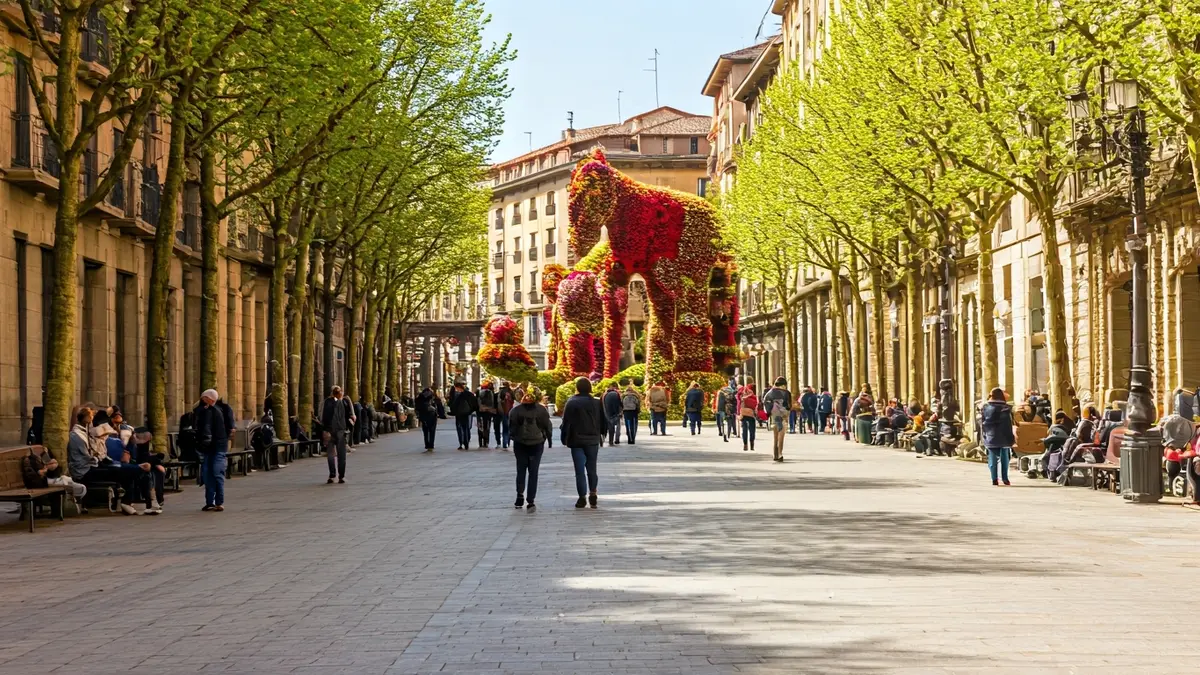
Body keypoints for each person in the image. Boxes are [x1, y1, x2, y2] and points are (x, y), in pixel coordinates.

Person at [68, 407, 149, 515]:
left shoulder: (86, 432)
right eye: (90, 417)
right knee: (125, 471)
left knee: (127, 471)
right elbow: (87, 455)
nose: (91, 421)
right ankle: (131, 495)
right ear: (85, 418)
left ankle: (128, 500)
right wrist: (98, 457)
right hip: (85, 470)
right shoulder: (77, 435)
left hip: (94, 465)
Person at [561, 377, 608, 508]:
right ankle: (593, 492)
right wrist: (602, 433)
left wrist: (564, 437)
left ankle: (582, 497)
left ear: (577, 387)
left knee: (579, 470)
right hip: (592, 439)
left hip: (576, 440)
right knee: (592, 468)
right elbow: (603, 420)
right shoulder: (597, 402)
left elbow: (566, 422)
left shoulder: (571, 402)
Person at [509, 389, 553, 512]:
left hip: (520, 444)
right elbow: (547, 426)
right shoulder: (541, 410)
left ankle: (519, 496)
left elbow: (511, 428)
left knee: (521, 470)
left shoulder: (515, 411)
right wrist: (548, 439)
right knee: (533, 472)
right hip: (537, 444)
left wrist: (513, 438)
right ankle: (531, 500)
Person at [194, 389, 236, 510]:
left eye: (204, 397)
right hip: (215, 447)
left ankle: (216, 501)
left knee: (214, 473)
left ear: (209, 398)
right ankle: (213, 501)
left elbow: (206, 428)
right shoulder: (210, 410)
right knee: (212, 474)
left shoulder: (214, 411)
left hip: (215, 447)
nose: (202, 400)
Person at [22, 444, 87, 514]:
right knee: (78, 487)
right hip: (43, 482)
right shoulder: (30, 460)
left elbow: (53, 472)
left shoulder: (43, 455)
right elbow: (33, 476)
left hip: (48, 480)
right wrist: (42, 471)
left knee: (80, 487)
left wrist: (53, 468)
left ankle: (69, 507)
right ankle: (66, 508)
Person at [979, 387, 1017, 486]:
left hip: (991, 436)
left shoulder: (985, 408)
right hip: (1004, 436)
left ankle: (994, 479)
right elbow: (1009, 424)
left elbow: (982, 424)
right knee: (1005, 458)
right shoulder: (1007, 408)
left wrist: (984, 435)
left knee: (992, 458)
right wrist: (1011, 437)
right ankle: (1005, 478)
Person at [320, 385, 355, 482]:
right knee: (341, 455)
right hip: (340, 431)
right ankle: (341, 476)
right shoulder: (343, 402)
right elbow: (348, 416)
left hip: (329, 430)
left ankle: (332, 475)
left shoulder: (326, 402)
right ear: (341, 393)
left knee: (331, 454)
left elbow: (322, 416)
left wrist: (325, 429)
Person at [762, 378, 793, 462]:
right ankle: (780, 454)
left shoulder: (768, 393)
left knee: (775, 436)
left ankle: (775, 454)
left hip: (773, 416)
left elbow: (765, 404)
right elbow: (789, 406)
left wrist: (769, 414)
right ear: (783, 385)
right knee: (781, 435)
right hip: (782, 416)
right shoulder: (786, 393)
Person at [448, 381, 478, 450]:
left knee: (460, 428)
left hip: (459, 413)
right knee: (466, 427)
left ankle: (461, 443)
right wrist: (471, 410)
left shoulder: (456, 394)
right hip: (467, 413)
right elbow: (474, 402)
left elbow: (452, 404)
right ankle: (466, 442)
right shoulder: (468, 394)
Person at [414, 386, 444, 451]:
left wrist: (419, 415)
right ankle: (431, 444)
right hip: (432, 415)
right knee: (432, 430)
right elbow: (439, 406)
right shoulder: (434, 397)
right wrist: (442, 415)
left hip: (423, 416)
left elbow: (416, 408)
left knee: (425, 431)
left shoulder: (419, 398)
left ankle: (426, 444)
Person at [477, 381, 499, 449]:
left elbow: (477, 402)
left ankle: (480, 442)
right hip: (489, 412)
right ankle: (486, 442)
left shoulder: (479, 392)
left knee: (480, 427)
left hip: (480, 412)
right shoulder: (491, 393)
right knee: (487, 427)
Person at [497, 381, 517, 449]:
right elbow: (514, 400)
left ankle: (504, 443)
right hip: (510, 411)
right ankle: (507, 442)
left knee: (504, 428)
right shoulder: (511, 392)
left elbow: (498, 402)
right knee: (508, 428)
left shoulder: (501, 392)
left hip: (503, 411)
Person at [739, 384, 758, 452]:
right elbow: (756, 407)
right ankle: (752, 445)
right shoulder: (754, 397)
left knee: (744, 430)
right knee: (752, 430)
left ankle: (745, 445)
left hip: (744, 415)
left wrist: (739, 413)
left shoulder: (743, 398)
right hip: (751, 415)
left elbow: (740, 406)